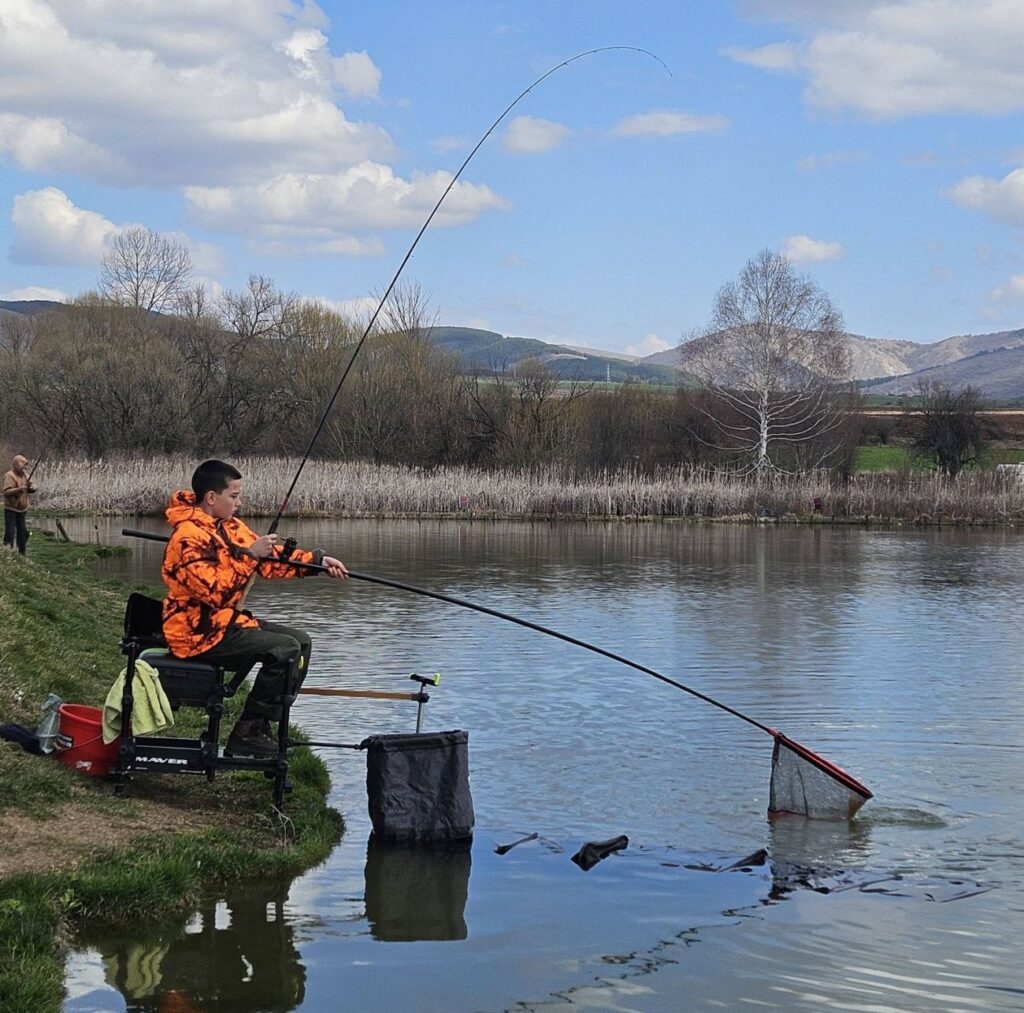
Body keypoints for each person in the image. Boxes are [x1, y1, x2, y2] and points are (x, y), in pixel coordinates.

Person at [161, 459, 348, 758]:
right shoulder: (187, 537)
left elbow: (269, 559)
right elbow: (213, 590)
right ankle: (247, 732)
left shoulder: (230, 527)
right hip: (197, 632)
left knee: (301, 642)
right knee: (285, 649)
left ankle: (260, 725)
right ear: (212, 497)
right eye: (233, 496)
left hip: (225, 623)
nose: (239, 502)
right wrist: (250, 557)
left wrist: (315, 562)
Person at [3, 454, 36, 555]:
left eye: (26, 465)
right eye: (23, 464)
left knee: (22, 533)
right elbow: (6, 492)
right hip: (11, 509)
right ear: (17, 464)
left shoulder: (26, 475)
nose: (25, 467)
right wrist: (19, 489)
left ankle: (22, 554)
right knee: (10, 532)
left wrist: (33, 487)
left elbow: (31, 486)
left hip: (22, 510)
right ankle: (7, 553)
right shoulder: (10, 475)